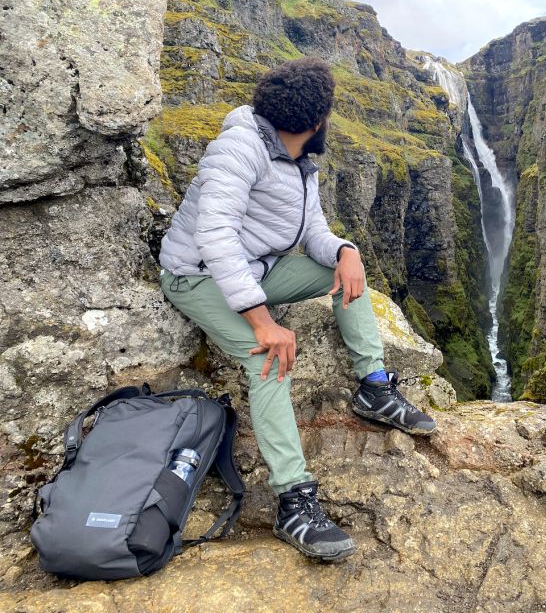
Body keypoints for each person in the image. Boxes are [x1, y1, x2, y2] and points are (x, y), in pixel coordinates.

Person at [157, 57, 437, 562]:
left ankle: (373, 387)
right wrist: (263, 322)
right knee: (268, 359)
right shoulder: (239, 148)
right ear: (316, 121)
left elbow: (314, 234)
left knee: (345, 274)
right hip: (196, 276)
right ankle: (293, 498)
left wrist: (347, 251)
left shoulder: (299, 161)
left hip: (257, 269)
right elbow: (213, 233)